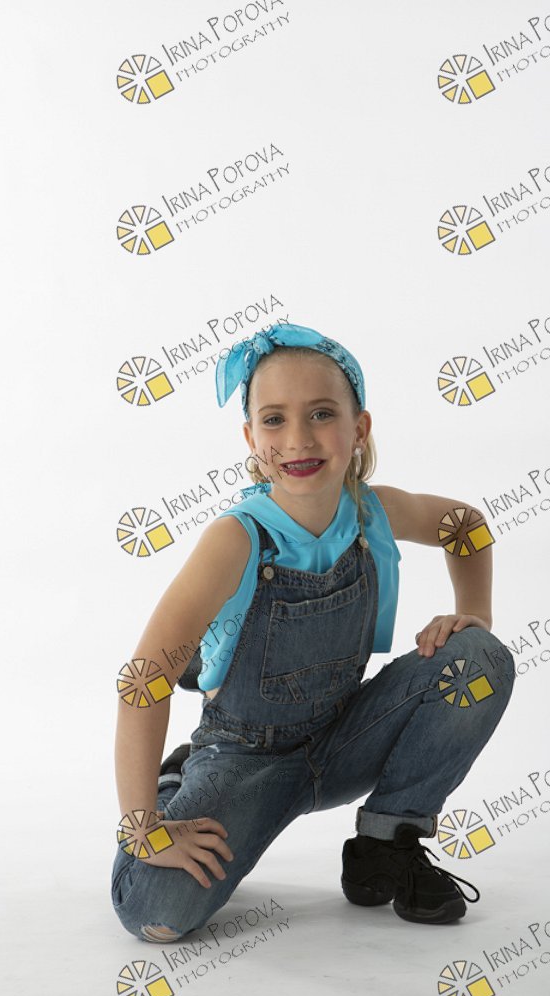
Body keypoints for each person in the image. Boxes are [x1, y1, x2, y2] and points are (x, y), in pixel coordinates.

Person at [110, 323, 516, 944]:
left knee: (478, 659)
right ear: (251, 438)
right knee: (155, 913)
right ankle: (177, 784)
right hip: (244, 760)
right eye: (274, 419)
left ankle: (386, 843)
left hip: (343, 737)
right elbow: (144, 680)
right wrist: (143, 827)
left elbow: (464, 525)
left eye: (322, 414)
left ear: (360, 428)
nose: (298, 439)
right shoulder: (236, 539)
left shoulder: (373, 512)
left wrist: (474, 615)